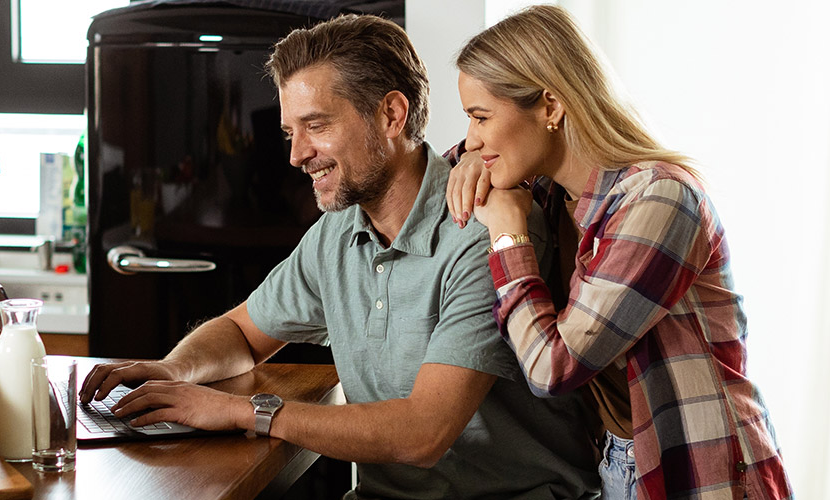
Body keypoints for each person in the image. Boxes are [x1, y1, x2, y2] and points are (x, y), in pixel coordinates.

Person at [79, 14, 601, 500]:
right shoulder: (338, 232)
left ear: (392, 115)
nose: (296, 154)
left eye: (318, 125)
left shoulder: (481, 229)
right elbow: (242, 333)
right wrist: (175, 370)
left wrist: (243, 411)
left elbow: (424, 434)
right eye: (291, 132)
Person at [444, 6, 793, 500]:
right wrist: (466, 162)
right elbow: (450, 165)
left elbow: (553, 367)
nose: (472, 138)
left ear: (549, 107)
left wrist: (507, 233)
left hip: (701, 469)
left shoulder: (660, 199)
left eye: (480, 117)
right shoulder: (547, 191)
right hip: (614, 460)